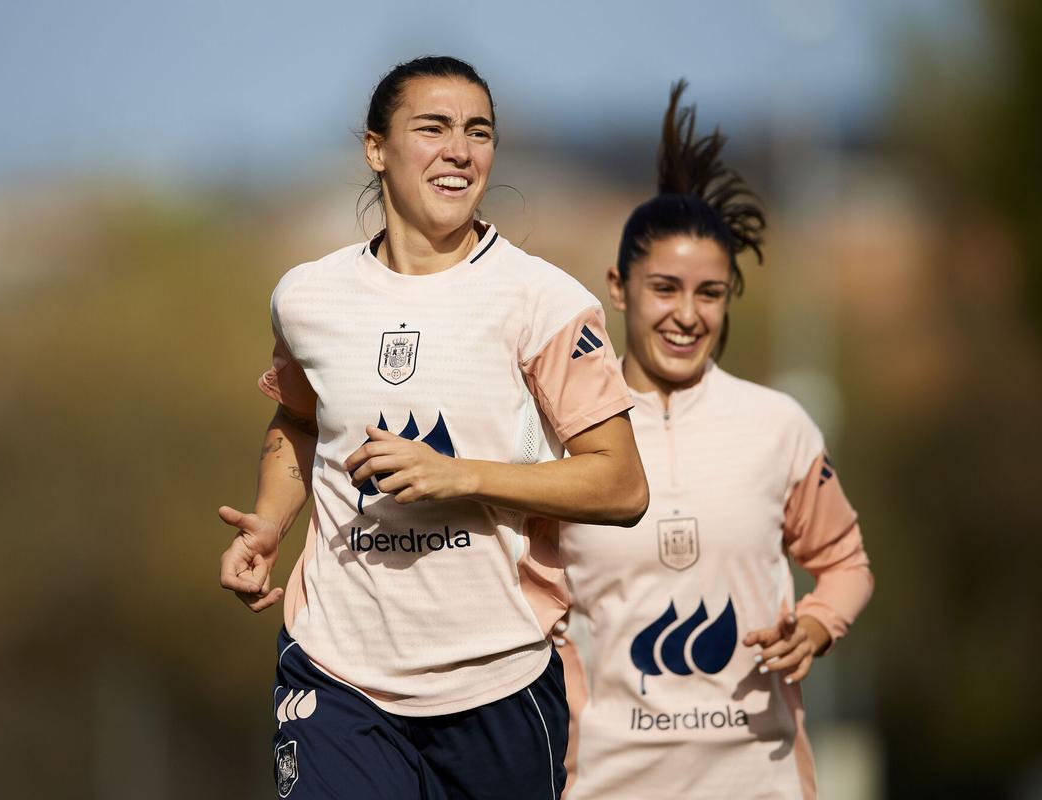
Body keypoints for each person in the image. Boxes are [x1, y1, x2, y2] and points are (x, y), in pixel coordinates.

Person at [216, 56, 648, 800]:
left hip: (498, 679)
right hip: (336, 672)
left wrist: (464, 476)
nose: (460, 150)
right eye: (434, 128)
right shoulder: (308, 297)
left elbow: (622, 482)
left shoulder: (542, 301)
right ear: (376, 149)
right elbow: (297, 419)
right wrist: (269, 522)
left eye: (478, 132)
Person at [556, 81, 874, 799]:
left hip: (755, 781)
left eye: (709, 292)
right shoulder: (561, 435)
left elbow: (846, 563)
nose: (687, 315)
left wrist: (818, 624)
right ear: (618, 285)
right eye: (665, 288)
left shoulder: (778, 426)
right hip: (604, 784)